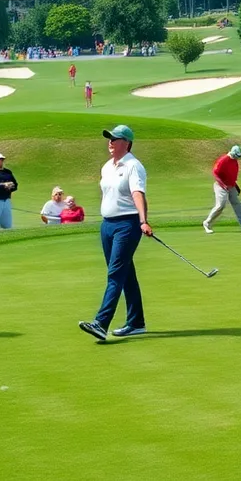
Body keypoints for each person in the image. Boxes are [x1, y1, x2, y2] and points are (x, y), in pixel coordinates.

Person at [78, 125, 151, 342]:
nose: (110, 142)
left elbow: (138, 193)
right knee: (125, 273)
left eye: (115, 139)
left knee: (116, 273)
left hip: (127, 225)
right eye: (109, 138)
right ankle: (137, 322)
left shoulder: (134, 166)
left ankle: (101, 323)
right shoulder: (107, 166)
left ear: (126, 143)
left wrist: (143, 220)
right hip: (107, 225)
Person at [204, 145, 241, 234]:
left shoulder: (235, 161)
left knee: (238, 205)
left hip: (231, 186)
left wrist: (236, 187)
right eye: (237, 156)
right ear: (233, 153)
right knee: (220, 205)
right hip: (220, 185)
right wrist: (222, 185)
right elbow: (215, 174)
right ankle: (207, 223)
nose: (237, 158)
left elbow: (231, 176)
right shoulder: (223, 160)